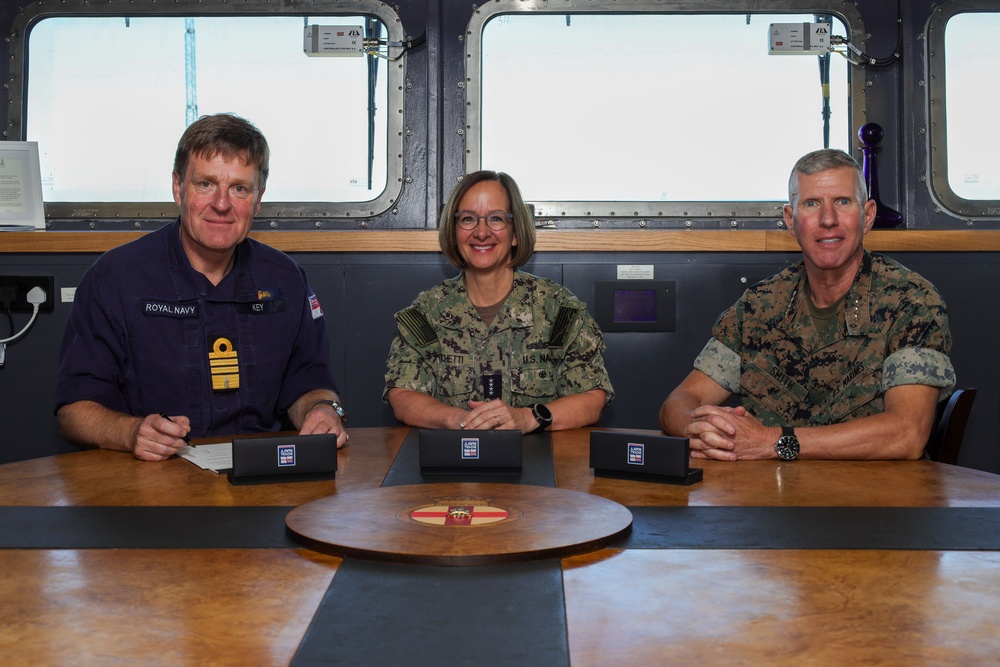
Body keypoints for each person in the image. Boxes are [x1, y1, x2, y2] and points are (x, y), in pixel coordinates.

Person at [54, 113, 348, 461]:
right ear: (178, 188)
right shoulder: (114, 279)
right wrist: (131, 432)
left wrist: (322, 410)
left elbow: (308, 384)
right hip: (153, 477)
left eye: (239, 188)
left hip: (262, 473)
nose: (222, 204)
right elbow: (74, 411)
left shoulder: (286, 279)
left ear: (258, 198)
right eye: (206, 184)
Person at [659, 149, 955, 461]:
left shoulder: (911, 302)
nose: (828, 220)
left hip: (874, 503)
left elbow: (906, 434)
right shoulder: (761, 306)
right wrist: (710, 433)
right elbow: (678, 402)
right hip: (770, 501)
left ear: (867, 216)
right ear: (791, 220)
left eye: (842, 201)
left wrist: (772, 441)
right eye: (812, 204)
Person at [383, 170, 614, 431]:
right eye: (468, 219)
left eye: (496, 219)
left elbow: (593, 397)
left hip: (539, 463)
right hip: (454, 462)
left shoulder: (556, 308)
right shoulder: (428, 311)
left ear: (515, 233)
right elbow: (401, 395)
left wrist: (527, 418)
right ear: (454, 232)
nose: (482, 233)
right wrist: (461, 421)